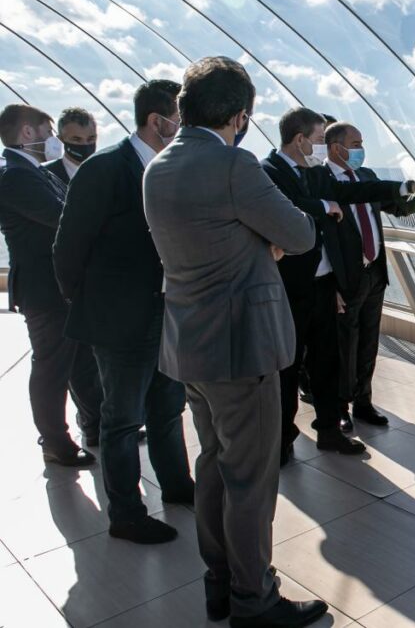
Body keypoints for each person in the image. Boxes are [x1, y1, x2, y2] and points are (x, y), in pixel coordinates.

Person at [144, 56, 327, 627]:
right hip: (241, 348)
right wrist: (261, 242)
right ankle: (256, 600)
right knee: (251, 479)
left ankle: (220, 584)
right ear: (241, 115)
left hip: (190, 346)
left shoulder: (159, 165)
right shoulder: (233, 166)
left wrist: (249, 241)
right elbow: (299, 234)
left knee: (217, 467)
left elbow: (203, 243)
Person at [261, 108, 415, 465]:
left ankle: (329, 430)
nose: (322, 147)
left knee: (328, 361)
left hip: (325, 283)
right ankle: (283, 437)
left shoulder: (315, 173)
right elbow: (282, 208)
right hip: (292, 288)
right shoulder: (268, 172)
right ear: (299, 140)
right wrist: (323, 206)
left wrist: (408, 187)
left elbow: (356, 190)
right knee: (287, 366)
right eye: (319, 140)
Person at [53, 80, 195, 546]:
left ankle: (177, 486)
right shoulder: (105, 169)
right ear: (158, 121)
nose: (186, 130)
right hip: (119, 322)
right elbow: (68, 248)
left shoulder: (175, 169)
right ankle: (127, 514)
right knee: (121, 419)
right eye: (182, 119)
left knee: (168, 408)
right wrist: (93, 304)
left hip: (167, 315)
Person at [0, 104, 101, 467]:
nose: (52, 140)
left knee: (79, 361)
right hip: (45, 290)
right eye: (48, 131)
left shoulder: (31, 172)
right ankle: (55, 441)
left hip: (60, 286)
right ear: (28, 133)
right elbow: (64, 215)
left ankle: (95, 423)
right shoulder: (15, 176)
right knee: (52, 367)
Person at [323, 122, 415, 431]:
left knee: (368, 341)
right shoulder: (321, 181)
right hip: (344, 277)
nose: (362, 149)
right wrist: (329, 286)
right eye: (356, 143)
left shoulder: (367, 177)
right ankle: (341, 406)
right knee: (343, 345)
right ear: (336, 148)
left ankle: (363, 402)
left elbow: (396, 207)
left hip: (373, 272)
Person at [44, 107, 97, 184]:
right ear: (61, 139)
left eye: (91, 139)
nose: (85, 144)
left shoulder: (110, 172)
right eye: (76, 139)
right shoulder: (45, 174)